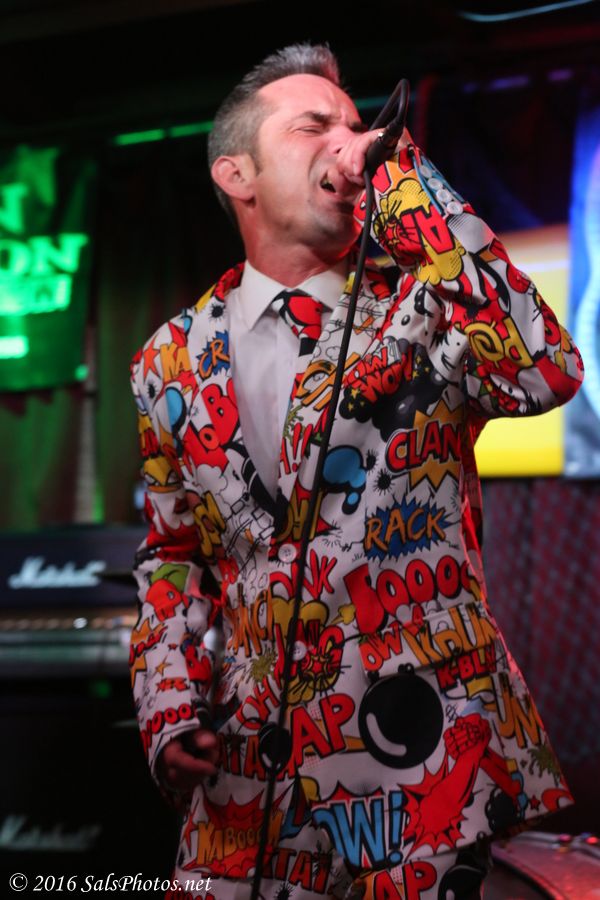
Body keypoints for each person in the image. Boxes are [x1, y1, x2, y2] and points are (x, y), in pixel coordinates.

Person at [129, 43, 584, 900]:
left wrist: (402, 180)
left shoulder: (425, 304)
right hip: (246, 787)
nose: (351, 139)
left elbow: (543, 371)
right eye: (314, 127)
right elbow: (173, 554)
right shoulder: (168, 361)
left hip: (422, 768)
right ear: (237, 173)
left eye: (356, 124)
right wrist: (170, 705)